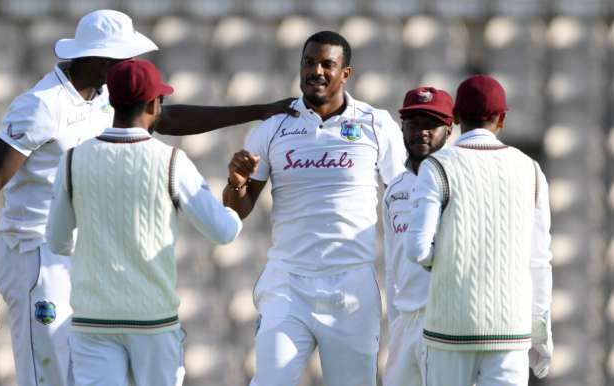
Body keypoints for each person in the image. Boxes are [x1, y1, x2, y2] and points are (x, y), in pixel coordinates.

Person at [0, 9, 296, 386]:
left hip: (81, 255)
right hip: (35, 254)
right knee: (48, 372)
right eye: (126, 58)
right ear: (104, 60)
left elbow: (165, 119)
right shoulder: (41, 106)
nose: (132, 65)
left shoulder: (105, 96)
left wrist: (256, 111)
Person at [223, 30, 407, 386]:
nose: (316, 71)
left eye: (327, 64)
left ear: (346, 73)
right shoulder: (275, 127)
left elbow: (402, 196)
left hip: (351, 288)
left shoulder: (375, 123)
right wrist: (236, 182)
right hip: (287, 284)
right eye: (309, 62)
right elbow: (238, 210)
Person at [45, 58, 242, 386]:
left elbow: (58, 242)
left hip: (93, 319)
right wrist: (237, 200)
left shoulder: (73, 159)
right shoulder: (170, 159)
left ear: (111, 101)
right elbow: (223, 232)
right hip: (153, 320)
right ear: (154, 104)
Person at [405, 75, 553, 386]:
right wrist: (541, 332)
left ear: (455, 117)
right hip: (510, 332)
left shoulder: (437, 166)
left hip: (450, 329)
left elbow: (416, 249)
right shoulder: (531, 170)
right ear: (502, 119)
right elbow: (539, 260)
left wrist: (446, 260)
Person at [382, 87, 453, 386]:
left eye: (431, 124)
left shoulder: (458, 179)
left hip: (446, 318)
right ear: (402, 127)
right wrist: (395, 321)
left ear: (449, 130)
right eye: (414, 124)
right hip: (405, 320)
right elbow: (391, 261)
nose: (421, 132)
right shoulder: (393, 188)